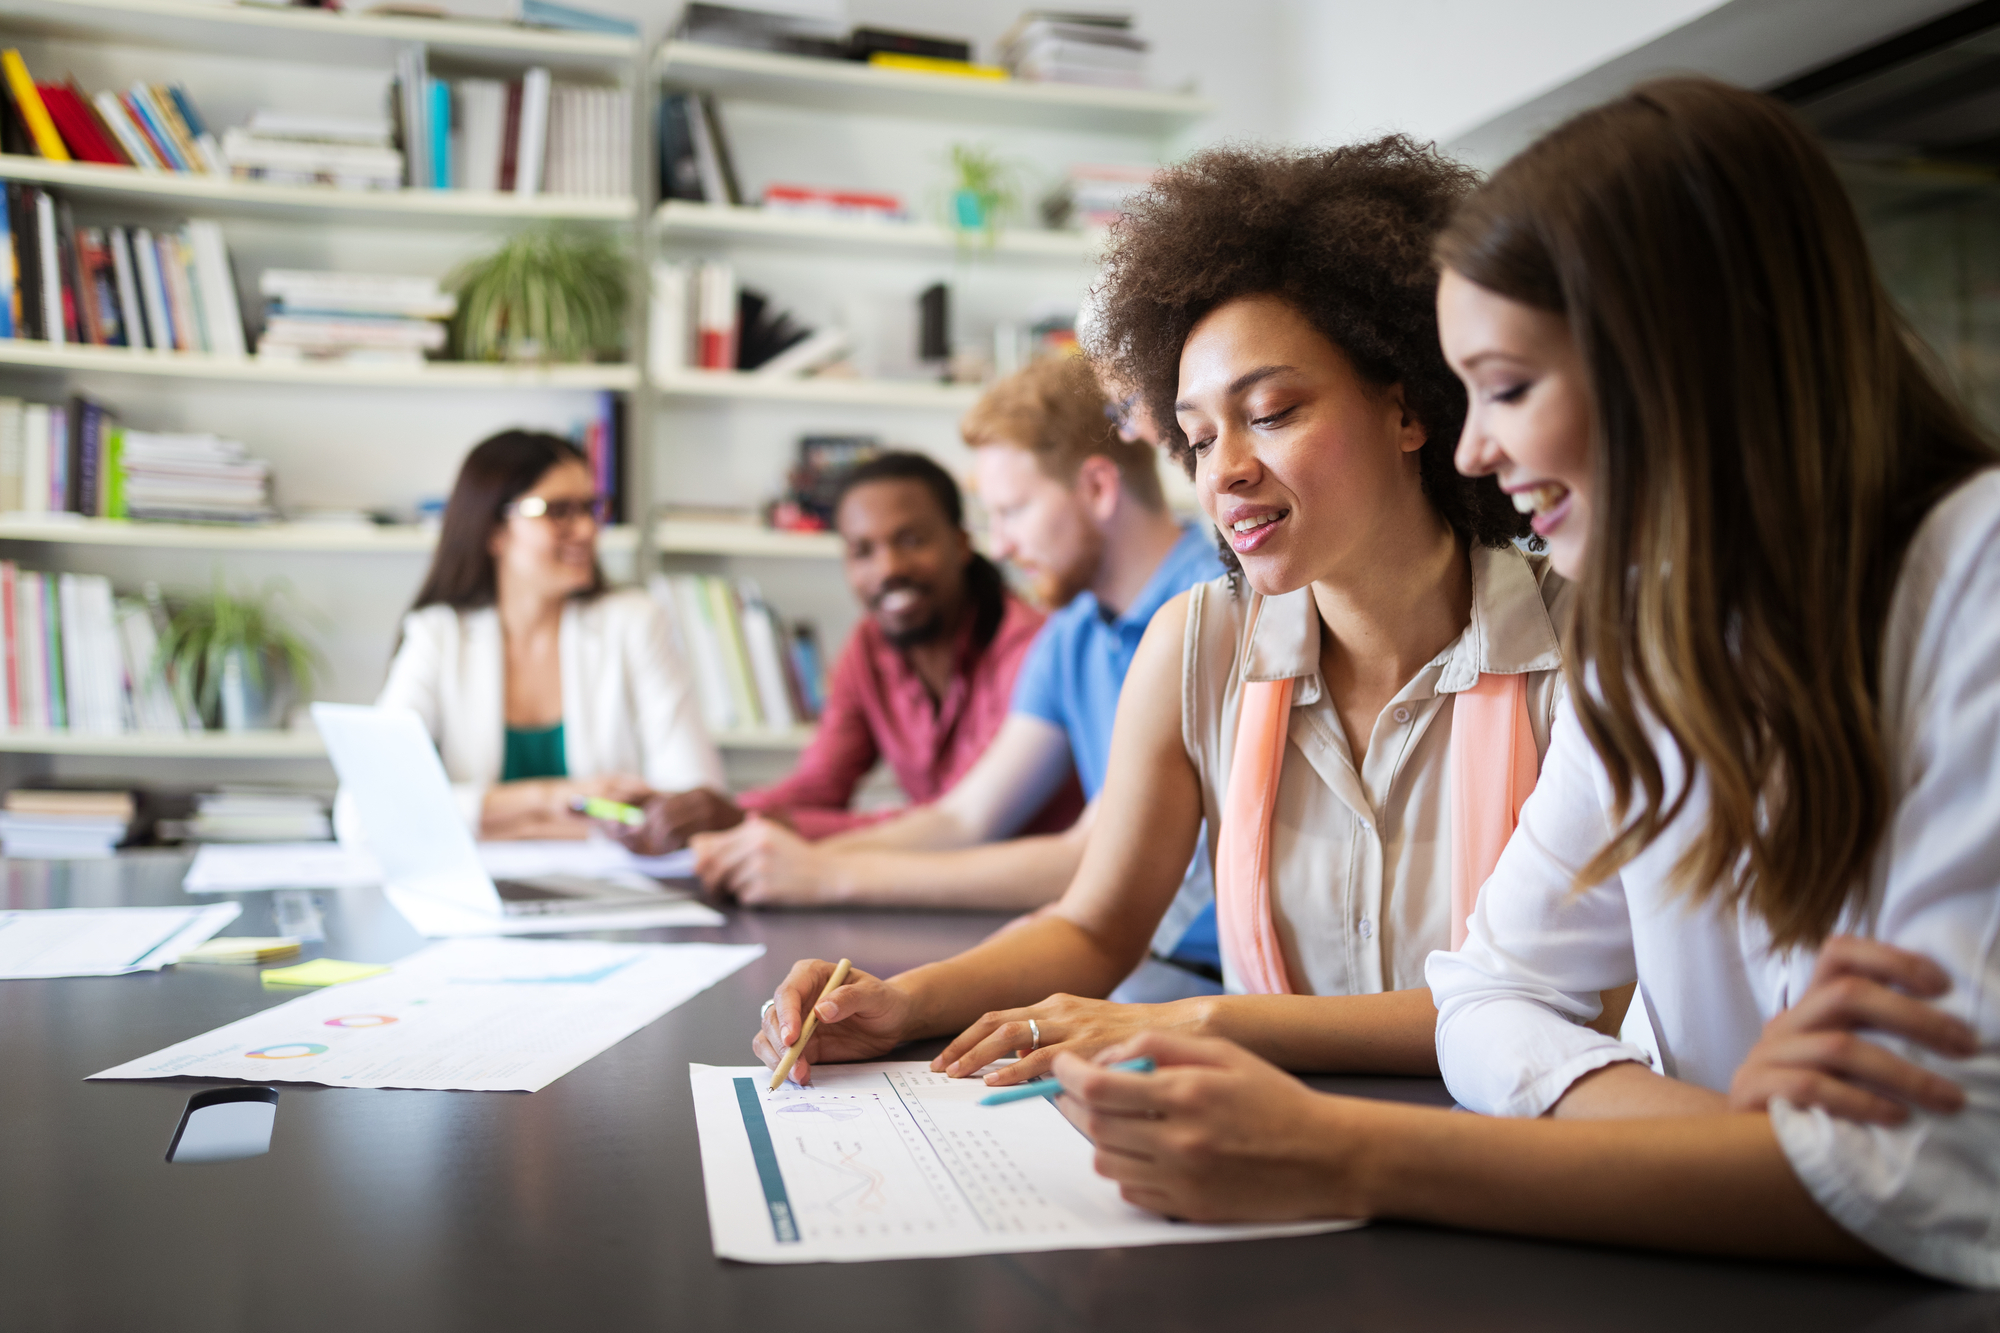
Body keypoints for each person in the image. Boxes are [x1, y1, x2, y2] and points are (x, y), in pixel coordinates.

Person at [1044, 80, 2000, 1286]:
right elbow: (1485, 994)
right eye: (1196, 437)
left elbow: (1932, 1178)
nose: (1473, 448)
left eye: (1504, 387)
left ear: (1680, 360)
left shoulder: (1973, 582)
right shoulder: (1656, 635)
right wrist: (1721, 1139)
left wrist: (1342, 1150)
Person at [751, 138, 1589, 1090]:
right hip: (1255, 1154)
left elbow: (1561, 1002)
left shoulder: (1582, 648)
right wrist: (906, 1000)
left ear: (1409, 408)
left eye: (1270, 412)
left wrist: (1199, 1022)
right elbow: (1094, 925)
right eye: (1195, 437)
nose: (1223, 470)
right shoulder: (1197, 644)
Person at [693, 356, 1224, 956]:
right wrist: (783, 861)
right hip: (1137, 965)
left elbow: (1088, 858)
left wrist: (825, 877)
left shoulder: (1213, 610)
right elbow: (966, 817)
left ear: (1099, 488)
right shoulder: (1073, 629)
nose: (998, 544)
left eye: (1012, 511)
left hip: (1202, 980)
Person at [370, 429, 728, 841]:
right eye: (558, 511)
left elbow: (693, 805)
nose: (587, 530)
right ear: (494, 531)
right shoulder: (438, 636)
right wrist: (553, 798)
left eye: (591, 508)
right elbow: (368, 811)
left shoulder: (636, 625)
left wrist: (481, 813)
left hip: (611, 891)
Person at [714, 450, 1081, 841]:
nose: (888, 569)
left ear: (960, 544)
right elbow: (821, 784)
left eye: (911, 540)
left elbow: (956, 823)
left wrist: (766, 826)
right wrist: (727, 813)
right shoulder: (868, 647)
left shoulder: (1031, 649)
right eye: (863, 551)